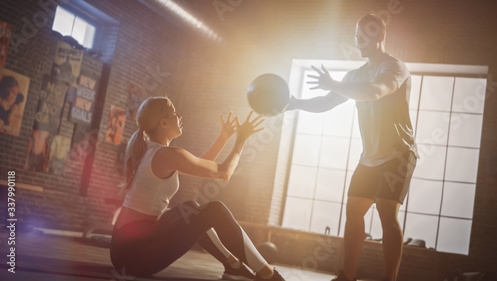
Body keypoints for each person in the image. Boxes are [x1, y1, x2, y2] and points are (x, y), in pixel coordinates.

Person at [288, 14, 418, 281]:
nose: (358, 41)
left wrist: (336, 83)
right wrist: (294, 102)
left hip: (399, 154)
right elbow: (326, 103)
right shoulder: (355, 75)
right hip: (369, 158)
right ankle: (347, 276)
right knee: (354, 210)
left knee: (385, 210)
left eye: (363, 36)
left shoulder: (394, 68)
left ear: (379, 36)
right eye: (356, 36)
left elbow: (375, 91)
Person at [110, 96, 286, 281]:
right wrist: (240, 140)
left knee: (191, 208)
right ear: (163, 122)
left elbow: (200, 164)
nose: (180, 117)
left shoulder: (149, 151)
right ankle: (268, 275)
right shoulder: (167, 155)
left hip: (123, 252)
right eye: (174, 114)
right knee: (215, 210)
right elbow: (223, 173)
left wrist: (223, 137)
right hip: (136, 255)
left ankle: (232, 264)